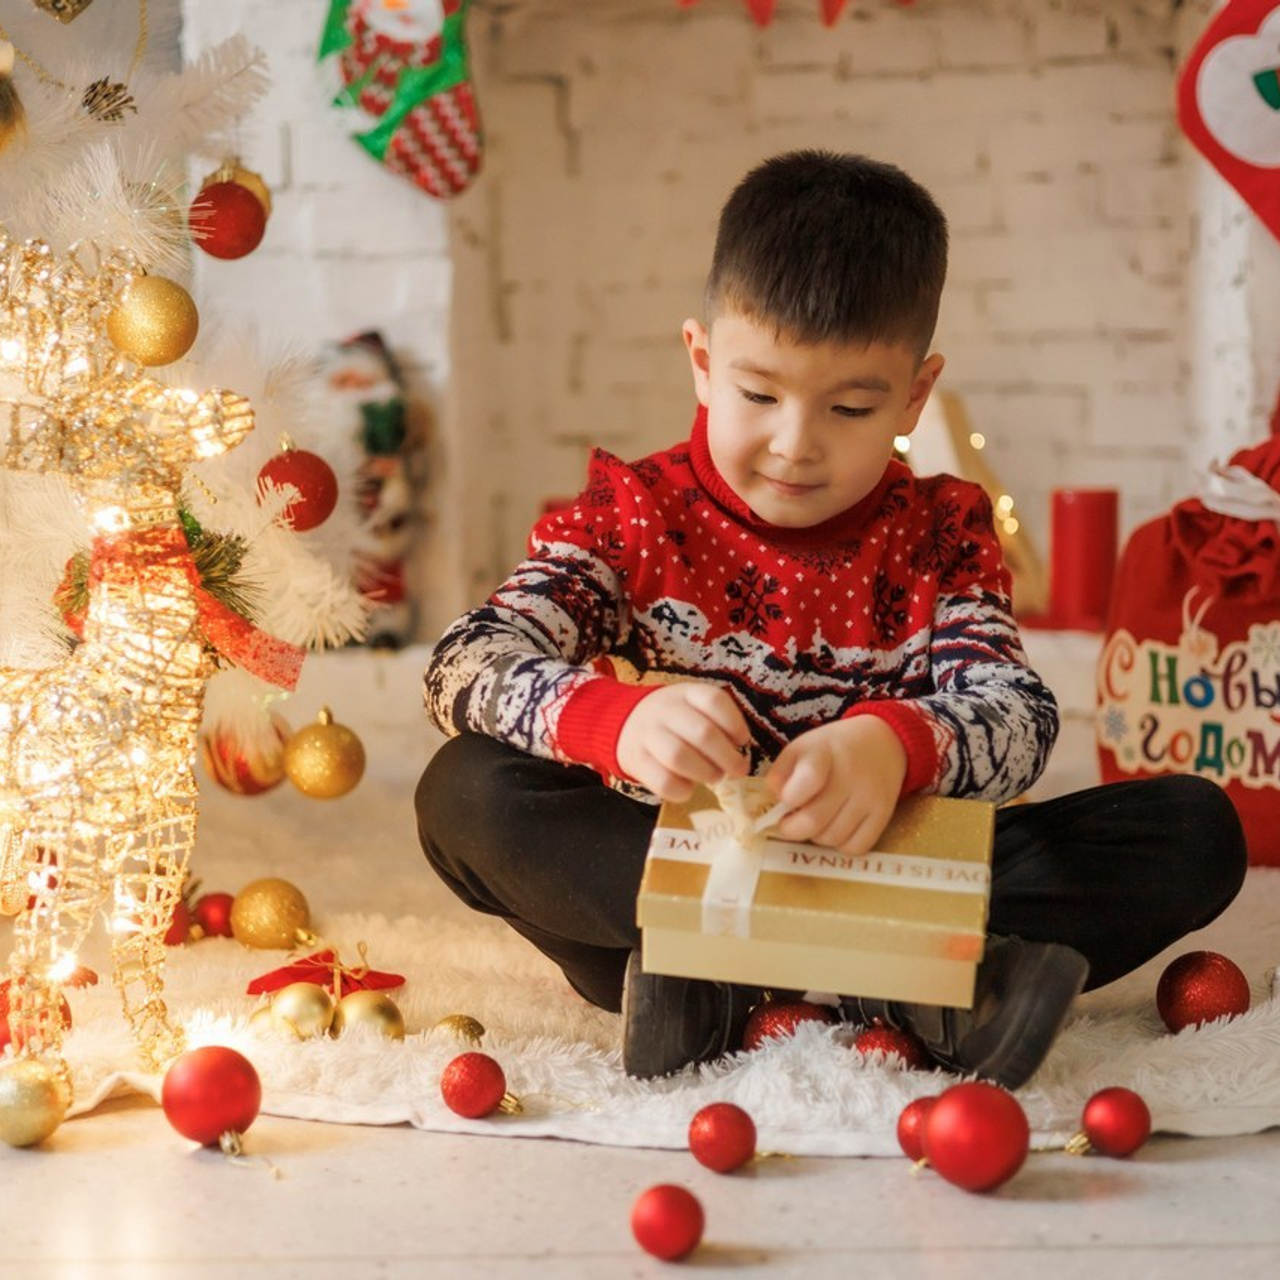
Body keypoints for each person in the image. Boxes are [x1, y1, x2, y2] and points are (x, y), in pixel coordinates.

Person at [416, 150, 1247, 1089]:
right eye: (758, 394)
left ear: (915, 396)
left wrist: (897, 745)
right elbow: (462, 665)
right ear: (701, 360)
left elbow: (1018, 719)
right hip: (686, 881)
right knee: (464, 794)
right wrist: (614, 721)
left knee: (1195, 826)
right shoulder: (631, 519)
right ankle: (910, 991)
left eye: (851, 408)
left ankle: (732, 992)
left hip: (901, 878)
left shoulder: (943, 534)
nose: (795, 444)